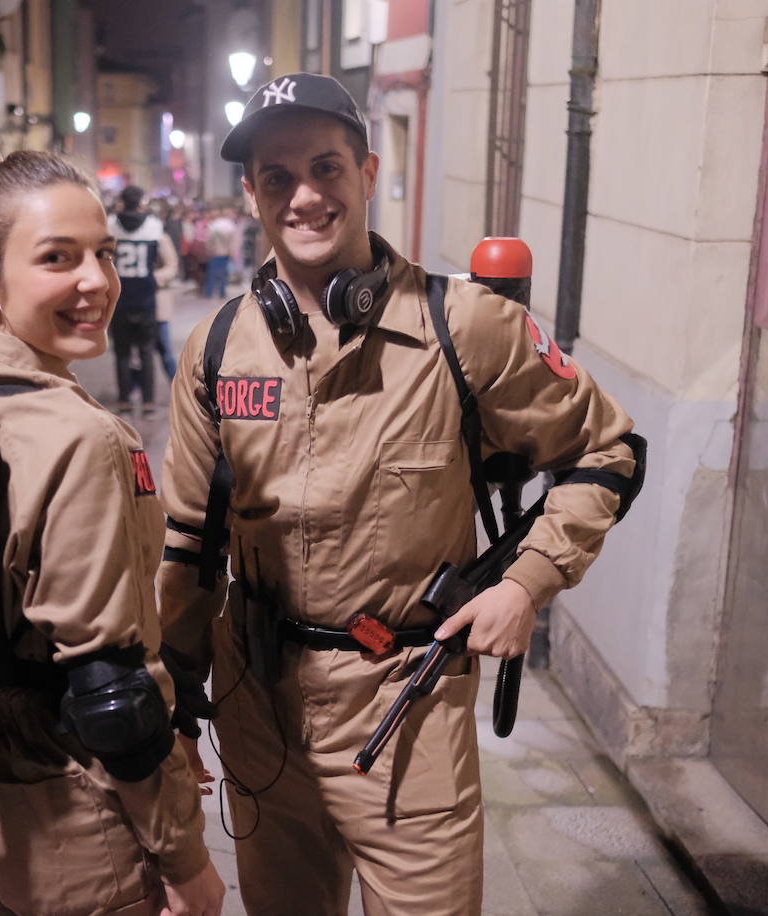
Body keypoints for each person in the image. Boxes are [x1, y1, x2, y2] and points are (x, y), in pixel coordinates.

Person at [156, 74, 640, 915]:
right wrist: (171, 713)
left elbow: (609, 450)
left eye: (327, 168)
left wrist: (527, 582)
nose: (304, 196)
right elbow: (189, 549)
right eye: (278, 178)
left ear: (368, 173)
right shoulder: (217, 348)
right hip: (257, 706)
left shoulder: (468, 326)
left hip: (405, 713)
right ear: (252, 193)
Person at [0, 151, 225, 916]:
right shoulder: (77, 437)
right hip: (66, 814)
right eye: (58, 258)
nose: (97, 281)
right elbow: (111, 689)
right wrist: (187, 862)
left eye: (104, 254)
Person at [108, 185, 179, 416]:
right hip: (147, 298)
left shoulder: (111, 226)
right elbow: (170, 264)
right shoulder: (154, 227)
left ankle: (125, 400)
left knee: (122, 353)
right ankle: (148, 402)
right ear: (141, 203)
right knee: (147, 351)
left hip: (120, 298)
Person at [202, 207, 236, 299]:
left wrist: (208, 249)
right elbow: (232, 240)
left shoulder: (213, 225)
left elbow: (208, 239)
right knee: (223, 273)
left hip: (215, 252)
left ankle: (209, 292)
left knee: (212, 273)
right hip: (225, 252)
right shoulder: (229, 225)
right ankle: (222, 293)